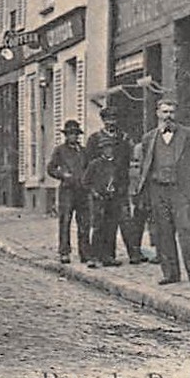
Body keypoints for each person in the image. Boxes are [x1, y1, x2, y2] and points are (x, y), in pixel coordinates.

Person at [132, 99, 190, 286]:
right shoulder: (149, 138)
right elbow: (145, 166)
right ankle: (170, 273)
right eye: (164, 112)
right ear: (157, 113)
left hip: (180, 190)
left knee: (187, 230)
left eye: (171, 112)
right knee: (163, 233)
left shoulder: (187, 134)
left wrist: (188, 184)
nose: (168, 116)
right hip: (158, 190)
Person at [84, 102, 132, 266]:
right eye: (108, 120)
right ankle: (94, 255)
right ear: (103, 121)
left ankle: (109, 255)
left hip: (118, 186)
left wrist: (122, 185)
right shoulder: (94, 139)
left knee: (114, 222)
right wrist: (95, 187)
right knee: (98, 223)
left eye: (114, 119)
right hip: (99, 188)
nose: (111, 123)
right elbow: (89, 166)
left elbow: (125, 163)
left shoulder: (123, 139)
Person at [45, 119, 89, 265]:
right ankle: (64, 252)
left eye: (75, 134)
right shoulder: (60, 151)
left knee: (84, 222)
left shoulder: (83, 151)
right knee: (65, 221)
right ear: (66, 135)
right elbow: (51, 169)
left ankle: (84, 252)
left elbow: (89, 169)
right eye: (70, 134)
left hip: (82, 191)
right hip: (67, 191)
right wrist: (63, 175)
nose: (73, 137)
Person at [83, 139, 121, 269]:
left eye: (110, 148)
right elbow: (86, 182)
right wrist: (94, 192)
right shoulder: (94, 164)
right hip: (98, 200)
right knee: (98, 227)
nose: (108, 150)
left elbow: (121, 181)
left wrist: (116, 189)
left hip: (112, 200)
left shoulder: (116, 165)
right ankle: (94, 257)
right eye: (105, 148)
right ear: (101, 150)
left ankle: (109, 256)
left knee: (111, 228)